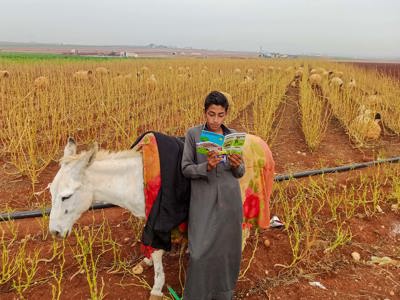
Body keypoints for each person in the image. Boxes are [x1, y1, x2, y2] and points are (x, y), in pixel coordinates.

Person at [181, 91, 245, 300]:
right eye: (211, 114)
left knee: (227, 252)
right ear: (204, 113)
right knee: (199, 252)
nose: (215, 120)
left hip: (230, 201)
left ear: (226, 114)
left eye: (220, 115)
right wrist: (205, 166)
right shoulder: (193, 134)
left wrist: (237, 165)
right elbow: (186, 168)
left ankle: (222, 295)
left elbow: (240, 172)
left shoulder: (232, 136)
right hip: (203, 201)